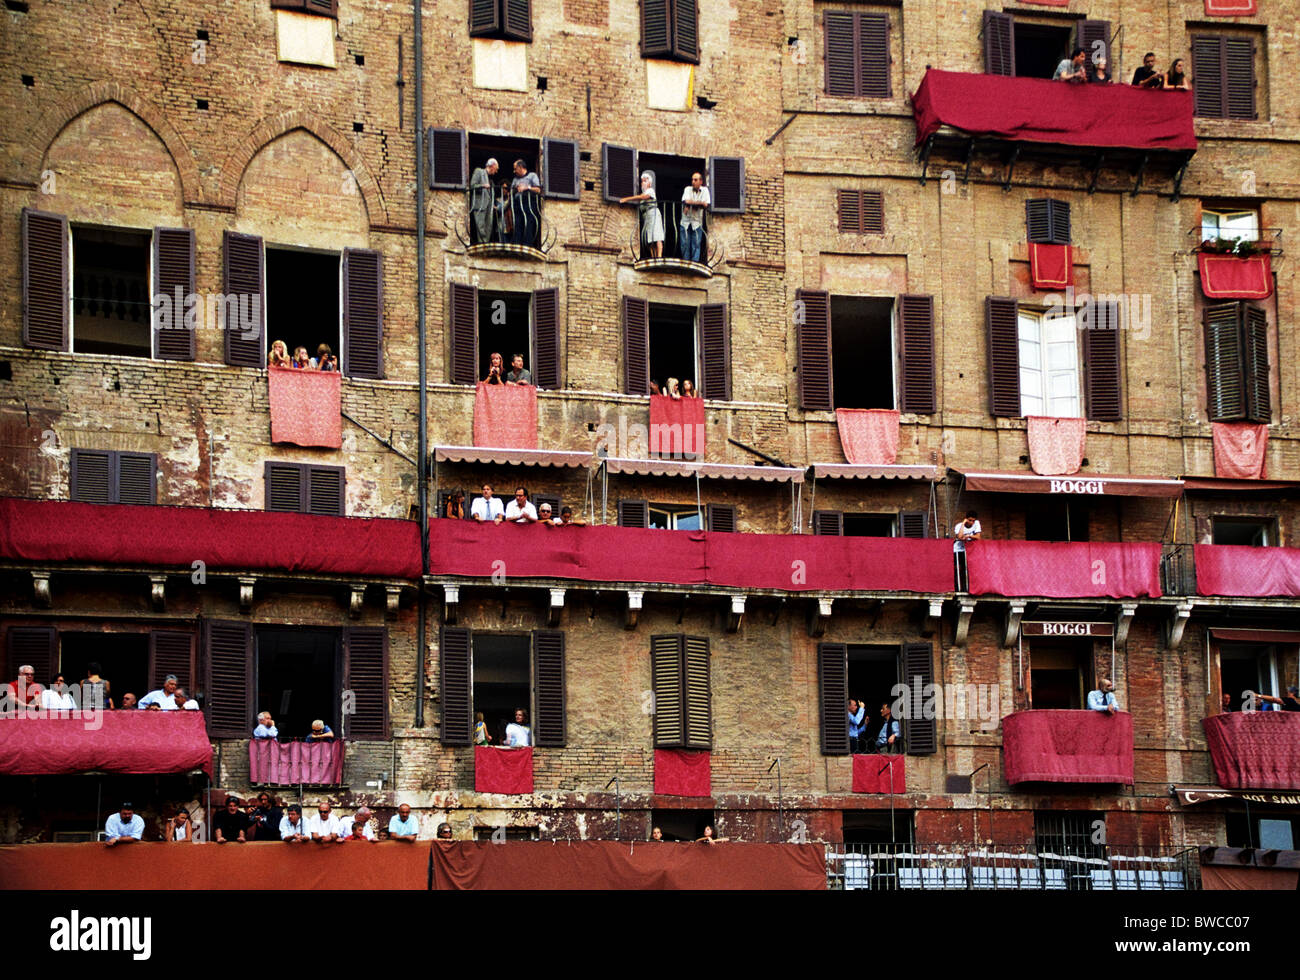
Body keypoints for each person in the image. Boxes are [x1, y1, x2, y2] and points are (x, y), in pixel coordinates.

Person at [621, 171, 665, 259]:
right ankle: (654, 257)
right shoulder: (643, 193)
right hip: (647, 217)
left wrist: (626, 199)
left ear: (649, 183)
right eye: (642, 181)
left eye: (645, 181)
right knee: (650, 239)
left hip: (654, 214)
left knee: (657, 236)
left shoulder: (650, 191)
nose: (643, 183)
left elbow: (643, 197)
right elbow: (641, 197)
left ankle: (659, 257)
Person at [510, 159, 542, 247]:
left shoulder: (532, 176)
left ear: (520, 167)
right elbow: (511, 192)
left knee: (528, 223)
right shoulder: (515, 179)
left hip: (528, 202)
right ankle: (517, 244)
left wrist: (527, 187)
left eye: (515, 168)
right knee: (517, 223)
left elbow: (538, 190)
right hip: (517, 203)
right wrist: (515, 189)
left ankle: (527, 245)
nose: (514, 171)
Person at [680, 172, 711, 263]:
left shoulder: (705, 190)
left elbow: (706, 204)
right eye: (692, 179)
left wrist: (691, 204)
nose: (693, 182)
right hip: (685, 222)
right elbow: (686, 201)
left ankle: (694, 263)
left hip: (697, 222)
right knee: (684, 244)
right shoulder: (687, 189)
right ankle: (686, 263)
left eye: (696, 180)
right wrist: (699, 203)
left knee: (696, 244)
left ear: (701, 181)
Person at [469, 158, 500, 244]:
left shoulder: (491, 179)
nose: (496, 171)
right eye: (496, 169)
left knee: (488, 227)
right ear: (492, 166)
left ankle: (485, 243)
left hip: (489, 207)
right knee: (480, 226)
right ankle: (481, 243)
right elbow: (472, 186)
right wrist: (483, 185)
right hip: (480, 205)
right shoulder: (479, 171)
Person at [953, 511, 982, 592]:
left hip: (970, 550)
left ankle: (968, 588)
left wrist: (969, 536)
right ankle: (958, 588)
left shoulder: (976, 523)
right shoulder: (959, 526)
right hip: (958, 550)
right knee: (958, 568)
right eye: (970, 520)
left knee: (969, 568)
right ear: (966, 519)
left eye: (973, 520)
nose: (972, 522)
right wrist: (963, 524)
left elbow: (978, 537)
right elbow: (959, 536)